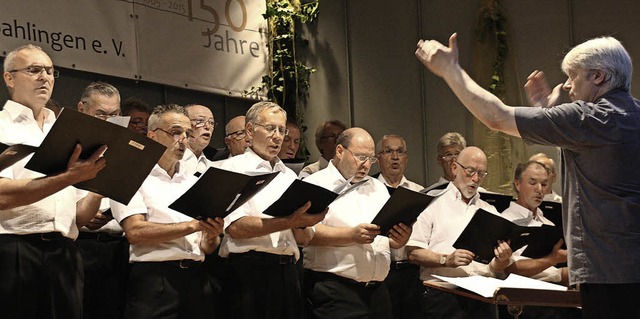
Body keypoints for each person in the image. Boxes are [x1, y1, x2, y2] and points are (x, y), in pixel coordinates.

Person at [416, 32, 640, 318]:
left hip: (609, 273)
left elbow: (496, 116)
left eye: (573, 76)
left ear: (597, 76)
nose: (568, 85)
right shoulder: (632, 116)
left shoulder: (591, 117)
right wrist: (548, 115)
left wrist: (451, 70)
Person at [0, 44, 107, 319]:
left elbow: (80, 217)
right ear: (9, 78)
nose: (44, 77)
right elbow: (2, 197)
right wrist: (68, 177)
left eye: (49, 71)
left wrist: (103, 180)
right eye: (34, 70)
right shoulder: (1, 125)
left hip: (66, 253)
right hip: (14, 251)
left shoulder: (65, 129)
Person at [110, 104, 224, 319]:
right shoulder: (129, 174)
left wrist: (212, 233)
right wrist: (193, 225)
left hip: (197, 278)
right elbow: (135, 231)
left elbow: (207, 247)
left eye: (187, 134)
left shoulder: (193, 180)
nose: (183, 140)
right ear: (152, 136)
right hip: (156, 279)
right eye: (175, 132)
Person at [217, 101, 325, 319]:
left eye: (281, 130)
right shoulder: (230, 170)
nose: (278, 136)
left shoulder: (289, 175)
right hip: (250, 273)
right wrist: (289, 221)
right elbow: (236, 228)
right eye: (270, 128)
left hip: (289, 272)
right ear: (249, 130)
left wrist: (307, 222)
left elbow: (301, 236)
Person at [303, 128, 412, 319]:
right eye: (360, 157)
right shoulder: (315, 183)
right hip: (336, 291)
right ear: (339, 151)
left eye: (371, 159)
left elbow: (387, 239)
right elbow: (305, 233)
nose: (366, 165)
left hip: (378, 291)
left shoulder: (378, 187)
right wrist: (351, 235)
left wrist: (400, 237)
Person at [406, 146, 512, 319]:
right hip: (444, 296)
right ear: (455, 167)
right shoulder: (432, 202)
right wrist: (446, 259)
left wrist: (502, 259)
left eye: (481, 173)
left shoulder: (490, 211)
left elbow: (495, 267)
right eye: (470, 171)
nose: (476, 179)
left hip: (483, 298)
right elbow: (413, 253)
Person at [75, 81, 130, 319]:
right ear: (82, 109)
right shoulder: (67, 144)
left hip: (117, 247)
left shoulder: (126, 149)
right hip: (80, 244)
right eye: (101, 114)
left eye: (115, 114)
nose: (108, 121)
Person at [375, 134, 423, 319]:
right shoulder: (368, 190)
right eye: (388, 151)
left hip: (411, 273)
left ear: (406, 158)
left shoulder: (418, 192)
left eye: (400, 152)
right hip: (382, 272)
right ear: (378, 158)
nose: (395, 157)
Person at [182, 104, 215, 176]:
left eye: (211, 122)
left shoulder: (214, 167)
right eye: (200, 121)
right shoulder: (171, 163)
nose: (208, 127)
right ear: (185, 125)